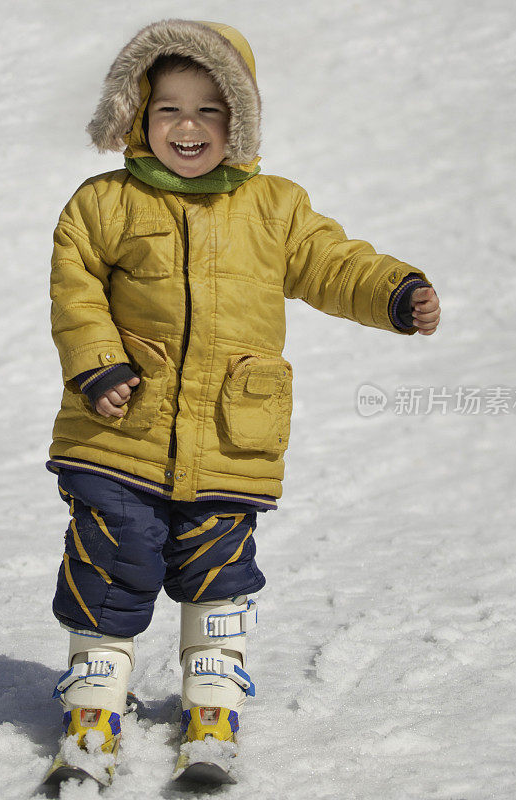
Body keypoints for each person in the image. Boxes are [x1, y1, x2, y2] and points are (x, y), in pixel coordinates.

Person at [46, 18, 440, 762]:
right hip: (117, 431)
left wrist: (395, 291)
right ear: (137, 112)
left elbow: (334, 263)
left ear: (241, 117)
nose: (187, 127)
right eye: (167, 110)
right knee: (112, 557)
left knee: (219, 569)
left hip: (233, 438)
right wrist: (97, 362)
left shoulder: (275, 207)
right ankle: (94, 696)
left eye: (209, 109)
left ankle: (213, 698)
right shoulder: (104, 203)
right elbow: (75, 289)